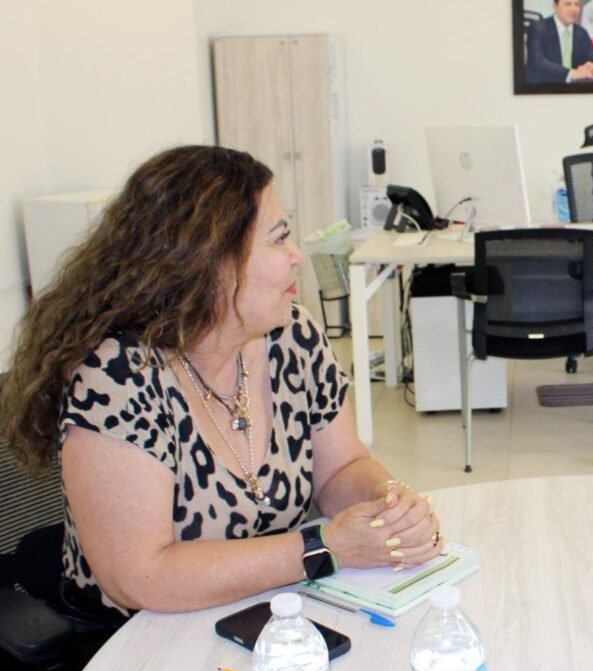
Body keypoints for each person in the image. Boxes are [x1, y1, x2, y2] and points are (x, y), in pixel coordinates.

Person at [0, 146, 443, 629]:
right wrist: (323, 547)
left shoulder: (292, 335)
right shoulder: (119, 375)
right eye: (279, 239)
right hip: (140, 634)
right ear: (210, 262)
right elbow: (143, 578)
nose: (296, 255)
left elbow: (341, 468)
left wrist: (388, 502)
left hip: (270, 605)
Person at [526, 0, 593, 84]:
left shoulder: (581, 32)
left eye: (577, 5)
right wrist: (574, 73)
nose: (573, 9)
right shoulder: (538, 28)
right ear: (555, 6)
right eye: (568, 4)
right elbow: (537, 63)